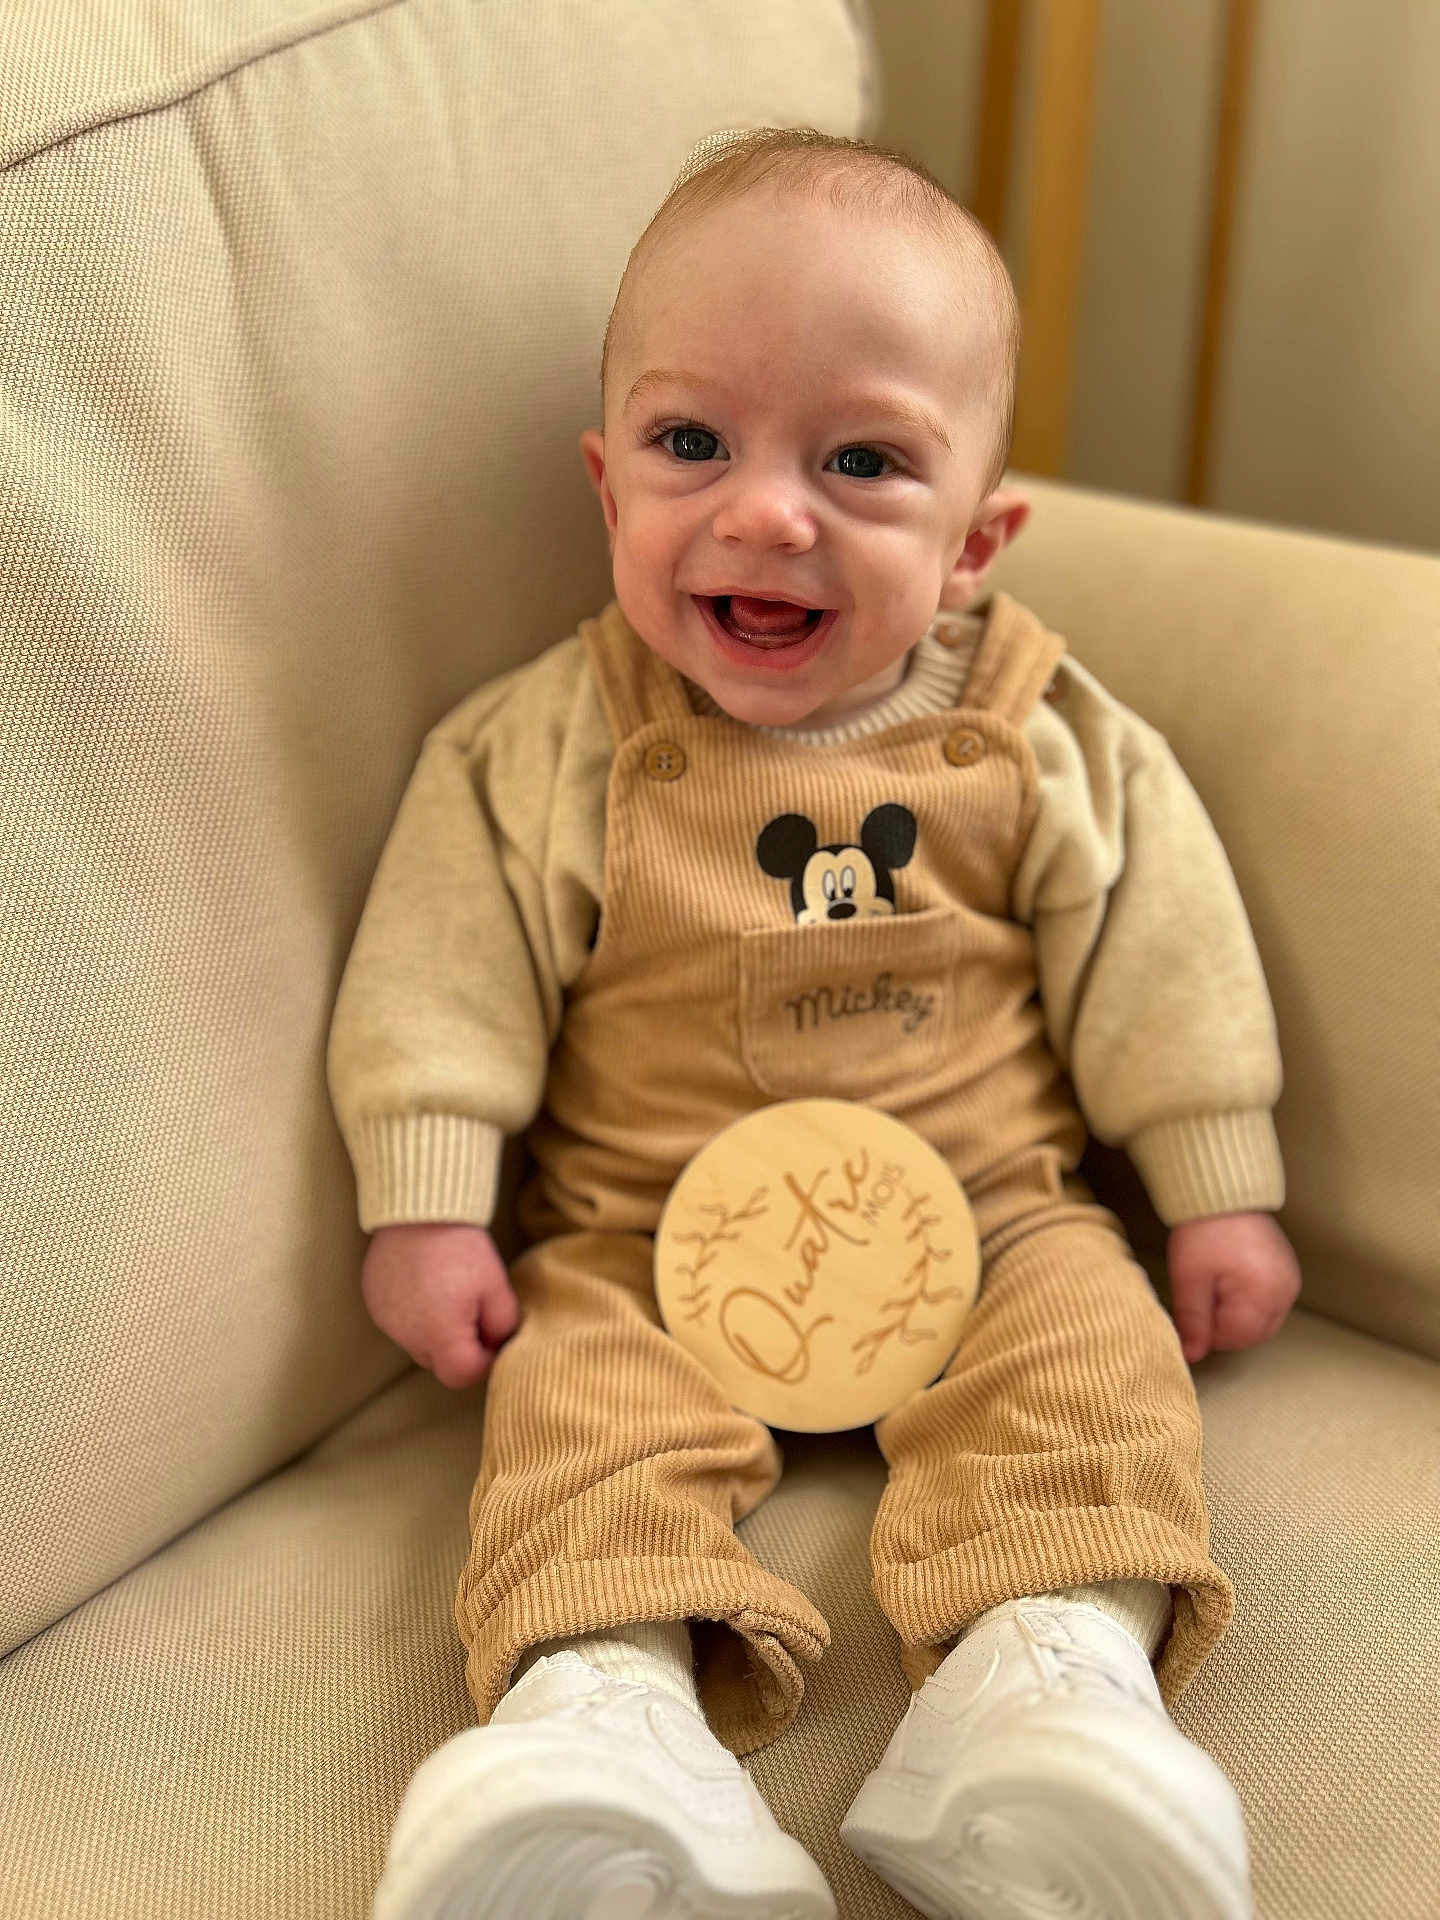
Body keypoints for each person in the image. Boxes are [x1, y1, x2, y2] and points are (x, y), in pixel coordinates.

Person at [327, 126, 1301, 1920]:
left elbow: (1160, 940)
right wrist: (430, 1190)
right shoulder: (548, 743)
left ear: (975, 540)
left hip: (989, 1201)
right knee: (579, 1404)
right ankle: (606, 1719)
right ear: (610, 490)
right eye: (696, 444)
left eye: (862, 461)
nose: (768, 513)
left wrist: (1212, 1170)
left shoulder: (1039, 725)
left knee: (1092, 1361)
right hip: (641, 1226)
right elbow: (443, 966)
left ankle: (1047, 1691)